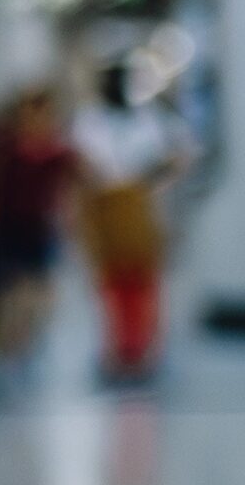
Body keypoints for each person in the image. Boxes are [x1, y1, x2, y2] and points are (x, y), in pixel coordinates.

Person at [70, 61, 195, 381]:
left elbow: (181, 154)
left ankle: (145, 352)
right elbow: (81, 165)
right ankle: (115, 351)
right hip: (104, 209)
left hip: (141, 206)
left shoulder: (149, 120)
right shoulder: (90, 122)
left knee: (143, 283)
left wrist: (152, 182)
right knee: (110, 287)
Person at [0, 89, 76, 364]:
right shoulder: (7, 147)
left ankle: (24, 342)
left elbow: (70, 184)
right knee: (10, 292)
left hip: (38, 229)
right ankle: (9, 346)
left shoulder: (57, 153)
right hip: (8, 227)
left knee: (36, 292)